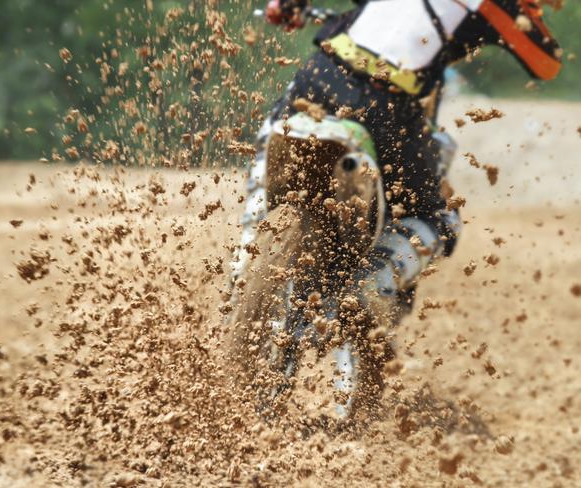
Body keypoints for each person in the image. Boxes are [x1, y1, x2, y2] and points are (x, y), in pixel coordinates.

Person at [233, 0, 561, 338]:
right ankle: (369, 286)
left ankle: (245, 256)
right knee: (439, 218)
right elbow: (547, 64)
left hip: (318, 77)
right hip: (385, 106)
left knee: (270, 144)